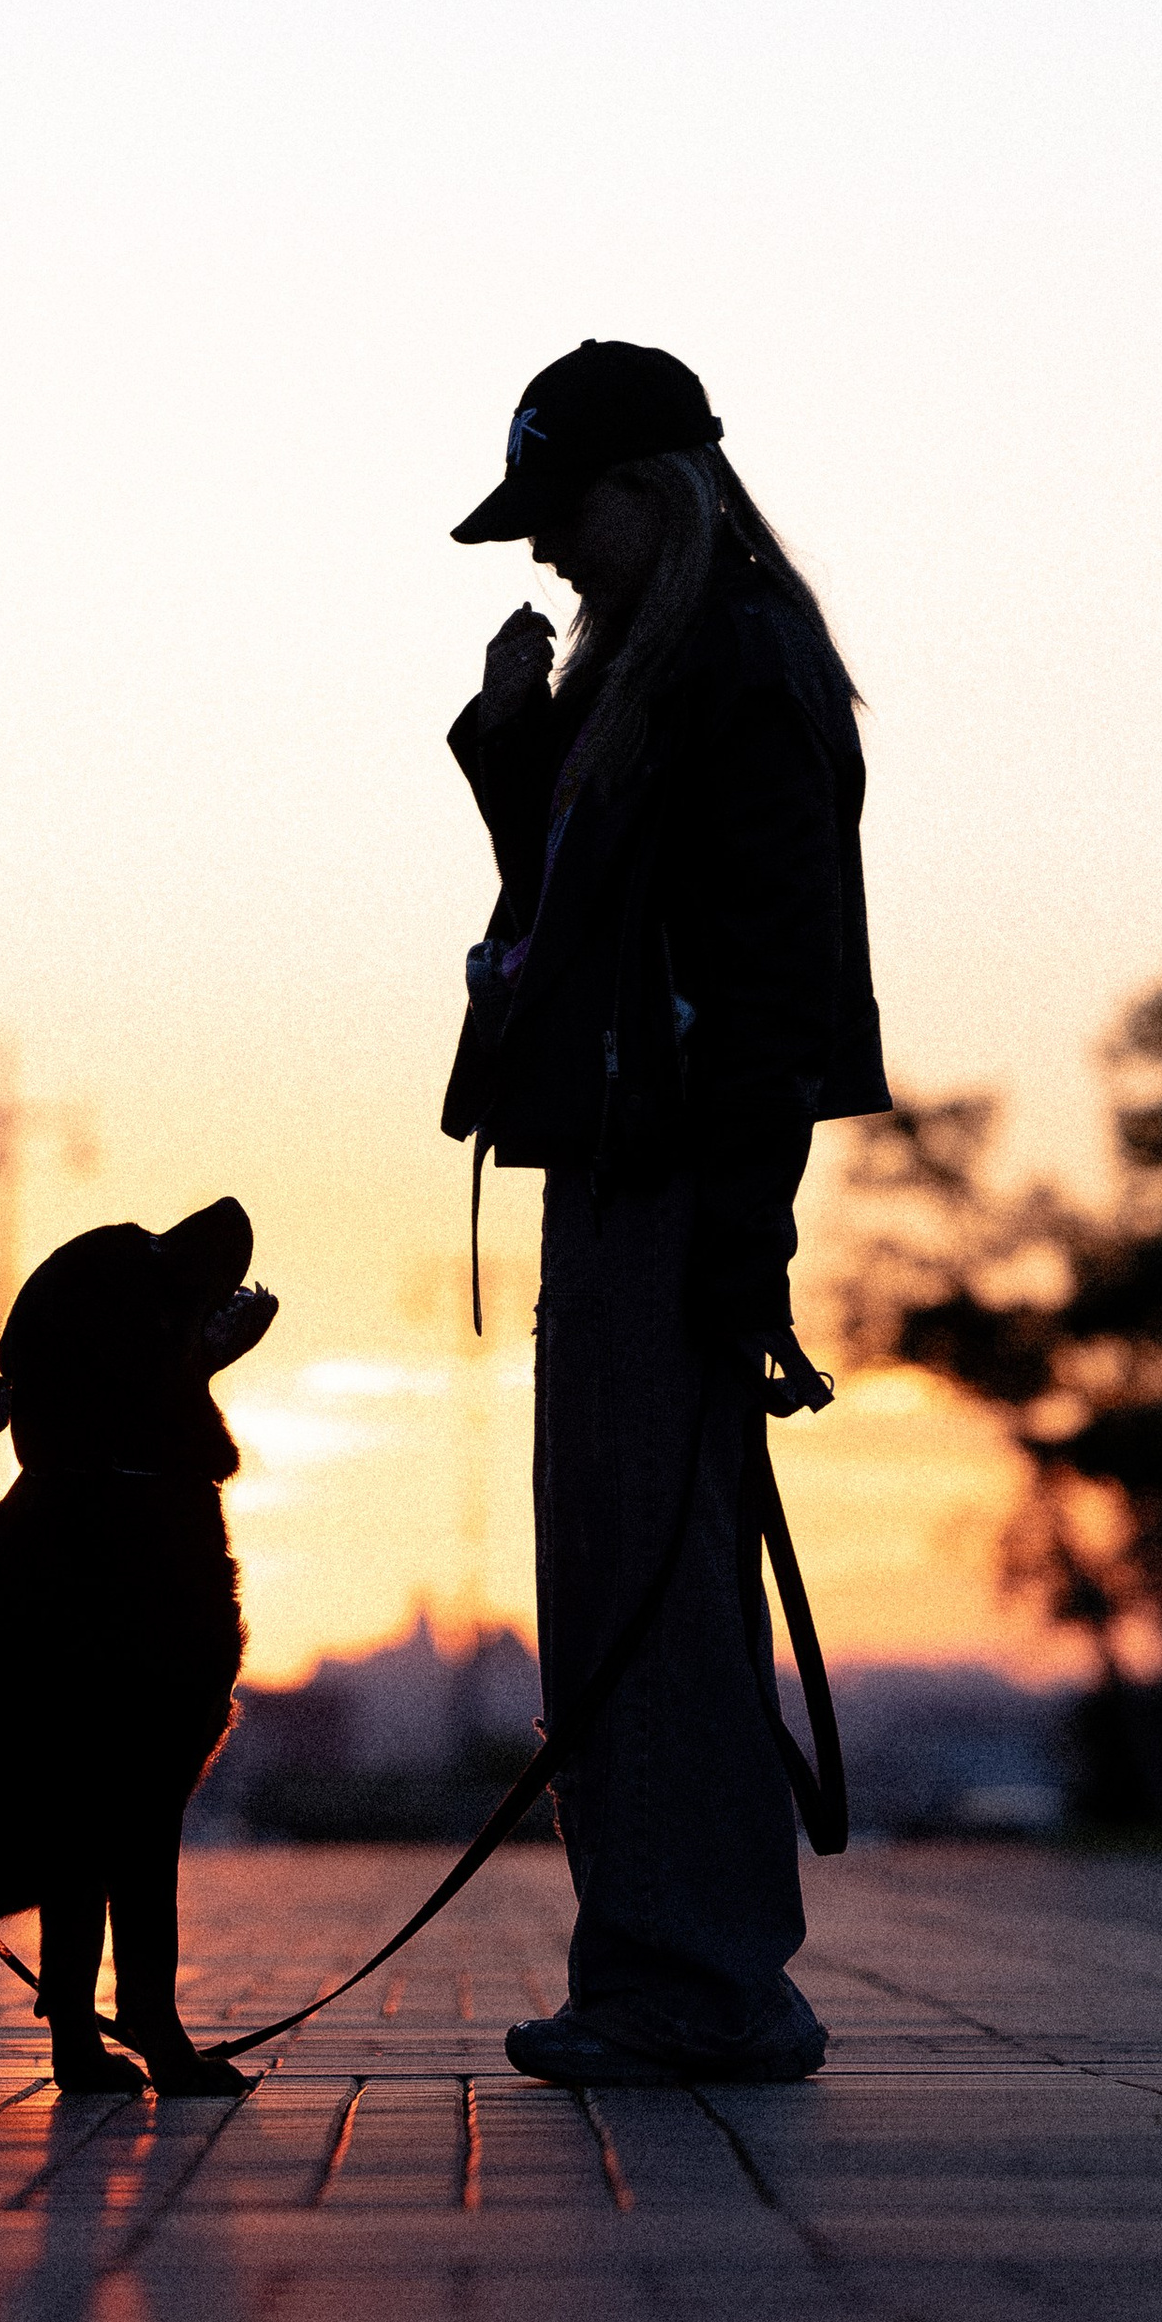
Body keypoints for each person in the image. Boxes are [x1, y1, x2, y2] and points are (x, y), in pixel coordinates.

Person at [443, 337, 886, 2086]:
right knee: (616, 1571)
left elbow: (775, 980)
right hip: (625, 1167)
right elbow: (578, 918)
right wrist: (516, 748)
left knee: (652, 1581)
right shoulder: (663, 668)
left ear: (654, 493)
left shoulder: (736, 669)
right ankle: (662, 1964)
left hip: (676, 1181)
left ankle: (700, 1978)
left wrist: (743, 1237)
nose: (547, 550)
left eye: (566, 512)